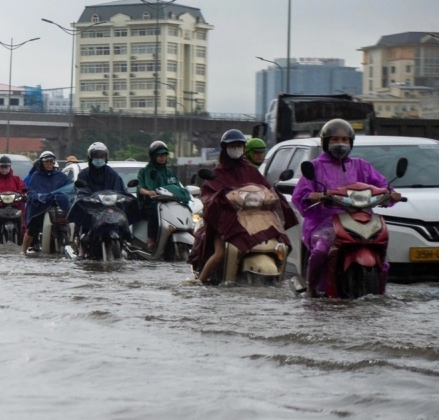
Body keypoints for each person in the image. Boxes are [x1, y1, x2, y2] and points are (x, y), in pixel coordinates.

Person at [292, 118, 400, 297]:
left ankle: (381, 293)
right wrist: (313, 196)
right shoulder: (315, 167)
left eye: (345, 140)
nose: (340, 144)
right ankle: (311, 288)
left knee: (381, 247)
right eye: (335, 140)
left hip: (361, 219)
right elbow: (299, 195)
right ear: (326, 142)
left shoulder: (361, 165)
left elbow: (382, 185)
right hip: (324, 223)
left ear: (351, 142)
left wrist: (391, 193)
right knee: (320, 251)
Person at [189, 129, 297, 284]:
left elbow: (265, 187)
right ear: (225, 148)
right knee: (219, 253)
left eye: (239, 145)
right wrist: (222, 200)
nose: (236, 148)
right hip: (226, 223)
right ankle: (199, 282)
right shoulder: (218, 173)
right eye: (232, 145)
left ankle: (280, 281)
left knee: (281, 245)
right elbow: (208, 196)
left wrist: (272, 196)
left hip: (253, 220)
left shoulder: (251, 170)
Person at [136, 141, 190, 251]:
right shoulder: (144, 171)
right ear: (153, 156)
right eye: (160, 155)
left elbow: (177, 187)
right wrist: (148, 192)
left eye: (164, 155)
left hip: (169, 205)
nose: (163, 158)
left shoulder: (169, 172)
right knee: (154, 214)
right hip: (150, 205)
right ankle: (151, 240)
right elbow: (139, 187)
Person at [22, 151, 72, 253]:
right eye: (46, 162)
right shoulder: (36, 176)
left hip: (58, 205)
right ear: (42, 163)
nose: (49, 164)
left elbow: (70, 185)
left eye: (51, 162)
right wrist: (38, 196)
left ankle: (75, 247)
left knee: (72, 222)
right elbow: (31, 190)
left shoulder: (60, 175)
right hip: (42, 206)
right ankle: (23, 250)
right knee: (33, 227)